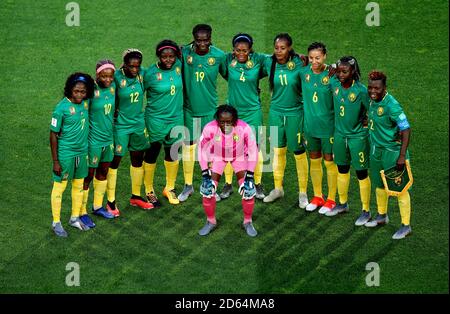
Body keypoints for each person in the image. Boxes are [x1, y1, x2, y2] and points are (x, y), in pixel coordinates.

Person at [177, 24, 227, 202]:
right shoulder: (183, 53)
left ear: (210, 38)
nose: (202, 43)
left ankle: (210, 186)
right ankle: (188, 185)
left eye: (205, 40)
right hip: (189, 109)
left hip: (210, 110)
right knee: (188, 146)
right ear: (194, 38)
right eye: (199, 40)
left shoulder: (219, 56)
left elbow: (233, 74)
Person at [261, 33, 309, 209]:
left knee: (298, 152)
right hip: (275, 113)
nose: (279, 51)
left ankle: (303, 193)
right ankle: (277, 188)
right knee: (277, 151)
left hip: (295, 113)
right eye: (276, 48)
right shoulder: (269, 62)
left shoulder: (299, 62)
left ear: (290, 48)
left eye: (283, 48)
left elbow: (318, 66)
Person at [324, 56, 372, 226]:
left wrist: (368, 123)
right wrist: (331, 67)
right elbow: (323, 67)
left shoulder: (361, 90)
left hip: (357, 138)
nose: (341, 74)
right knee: (342, 170)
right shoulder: (334, 84)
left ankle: (366, 211)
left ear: (354, 72)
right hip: (339, 136)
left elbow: (371, 110)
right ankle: (342, 204)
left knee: (361, 173)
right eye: (339, 71)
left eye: (345, 71)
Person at [364, 70, 412, 239]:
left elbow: (405, 129)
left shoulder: (392, 105)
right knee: (378, 185)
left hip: (392, 152)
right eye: (370, 88)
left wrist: (401, 155)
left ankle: (406, 226)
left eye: (376, 88)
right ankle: (382, 216)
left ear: (384, 87)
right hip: (376, 150)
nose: (372, 91)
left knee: (400, 189)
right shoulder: (371, 101)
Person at [219, 33, 267, 200]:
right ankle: (227, 184)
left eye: (245, 50)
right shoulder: (227, 61)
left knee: (254, 148)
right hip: (232, 111)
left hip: (253, 111)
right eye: (238, 50)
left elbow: (275, 59)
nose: (241, 53)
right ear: (233, 50)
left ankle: (257, 183)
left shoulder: (258, 61)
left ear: (250, 50)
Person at [197, 105, 258, 237]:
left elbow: (253, 151)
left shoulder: (244, 128)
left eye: (229, 122)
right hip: (218, 156)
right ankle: (211, 221)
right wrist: (204, 173)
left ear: (235, 120)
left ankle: (247, 221)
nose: (225, 125)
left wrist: (250, 175)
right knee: (208, 190)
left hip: (239, 156)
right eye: (222, 122)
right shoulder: (209, 128)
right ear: (217, 120)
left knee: (248, 190)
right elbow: (201, 149)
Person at [106, 48, 152, 213]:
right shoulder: (116, 77)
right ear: (124, 64)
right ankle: (110, 201)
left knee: (137, 160)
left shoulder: (142, 74)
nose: (134, 69)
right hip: (121, 126)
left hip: (138, 124)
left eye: (137, 66)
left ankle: (136, 196)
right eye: (131, 66)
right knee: (115, 161)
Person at [50, 72, 95, 237]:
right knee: (60, 187)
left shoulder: (85, 103)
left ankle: (74, 218)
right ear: (69, 90)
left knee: (78, 185)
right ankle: (56, 222)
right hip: (66, 154)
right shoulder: (61, 108)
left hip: (82, 153)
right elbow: (53, 134)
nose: (79, 95)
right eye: (76, 91)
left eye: (83, 92)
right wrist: (56, 161)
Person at [143, 40, 184, 206]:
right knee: (153, 152)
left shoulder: (179, 66)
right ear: (158, 56)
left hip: (176, 118)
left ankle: (170, 188)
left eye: (171, 56)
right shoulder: (150, 73)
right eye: (164, 57)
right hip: (155, 119)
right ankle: (149, 190)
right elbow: (137, 90)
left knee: (173, 151)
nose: (168, 60)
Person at [299, 42, 338, 214]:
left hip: (328, 128)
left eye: (318, 58)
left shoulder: (332, 74)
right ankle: (317, 197)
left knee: (329, 162)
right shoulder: (303, 72)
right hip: (310, 127)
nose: (314, 61)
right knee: (314, 160)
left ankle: (331, 200)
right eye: (311, 58)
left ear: (325, 57)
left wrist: (336, 66)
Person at [79, 60, 117, 224]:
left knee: (103, 173)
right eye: (104, 76)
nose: (107, 79)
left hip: (108, 140)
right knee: (88, 177)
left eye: (110, 76)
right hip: (93, 141)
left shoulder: (114, 87)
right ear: (97, 74)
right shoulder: (90, 91)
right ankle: (81, 211)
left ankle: (97, 206)